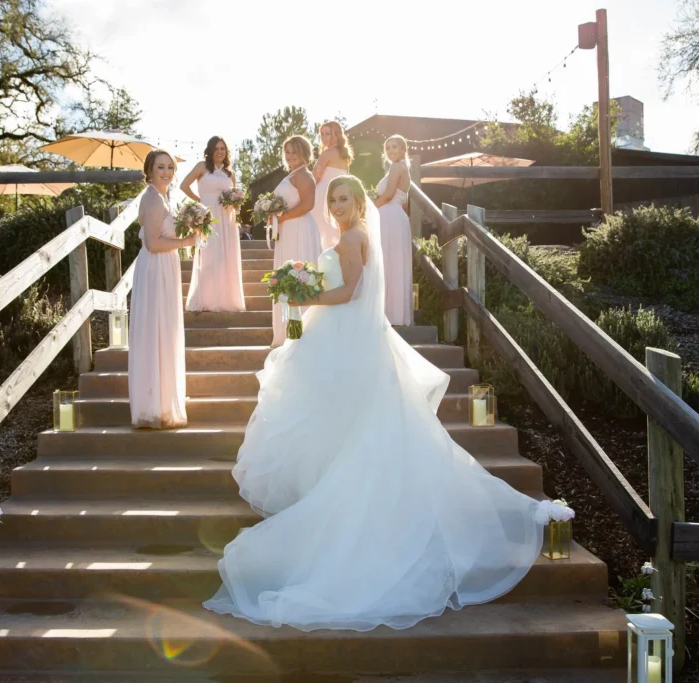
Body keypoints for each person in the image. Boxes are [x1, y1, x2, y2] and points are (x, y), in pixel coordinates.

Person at [203, 174, 555, 632]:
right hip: (345, 337)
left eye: (344, 197)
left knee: (341, 419)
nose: (337, 204)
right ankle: (328, 489)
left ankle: (339, 505)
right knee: (342, 422)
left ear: (359, 199)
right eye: (332, 199)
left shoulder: (353, 237)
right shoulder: (350, 235)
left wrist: (303, 294)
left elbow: (348, 293)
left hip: (345, 338)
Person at [128, 150, 199, 429]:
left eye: (170, 167)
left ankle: (161, 396)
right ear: (149, 169)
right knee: (157, 329)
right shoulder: (154, 198)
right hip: (157, 268)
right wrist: (188, 241)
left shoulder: (160, 197)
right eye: (161, 167)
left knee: (161, 329)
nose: (167, 171)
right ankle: (157, 402)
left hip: (161, 268)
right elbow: (154, 245)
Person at [179, 136, 246, 313]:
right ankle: (207, 298)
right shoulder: (202, 167)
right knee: (209, 254)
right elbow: (184, 185)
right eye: (216, 148)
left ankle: (227, 298)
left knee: (225, 256)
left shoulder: (230, 174)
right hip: (208, 217)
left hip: (226, 218)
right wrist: (199, 202)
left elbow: (235, 195)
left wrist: (234, 203)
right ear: (210, 150)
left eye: (222, 148)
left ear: (226, 151)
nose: (219, 152)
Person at [268, 135, 322, 348]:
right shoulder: (292, 174)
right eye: (287, 152)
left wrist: (282, 217)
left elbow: (308, 204)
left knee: (298, 275)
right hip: (288, 230)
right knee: (286, 276)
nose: (290, 156)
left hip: (299, 228)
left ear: (304, 153)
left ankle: (303, 330)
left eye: (294, 151)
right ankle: (289, 331)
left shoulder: (304, 176)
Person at [373, 134, 413, 326]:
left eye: (395, 147)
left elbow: (388, 195)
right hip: (395, 216)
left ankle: (389, 313)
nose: (390, 151)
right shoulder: (401, 168)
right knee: (393, 262)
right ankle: (394, 312)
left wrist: (369, 208)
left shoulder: (397, 167)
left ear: (403, 150)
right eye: (387, 148)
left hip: (389, 215)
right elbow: (402, 200)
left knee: (388, 261)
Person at [310, 120, 352, 250]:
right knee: (334, 232)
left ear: (337, 135)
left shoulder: (327, 154)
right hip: (340, 196)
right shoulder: (345, 156)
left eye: (327, 134)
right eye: (322, 134)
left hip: (323, 196)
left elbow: (313, 178)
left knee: (321, 230)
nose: (323, 137)